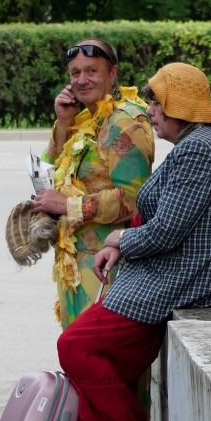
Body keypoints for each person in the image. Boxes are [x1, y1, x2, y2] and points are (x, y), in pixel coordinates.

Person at [57, 62, 211, 421]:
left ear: (179, 108)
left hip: (179, 278)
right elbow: (159, 209)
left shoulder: (200, 151)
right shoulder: (203, 144)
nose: (150, 112)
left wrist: (119, 238)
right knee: (108, 371)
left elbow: (166, 232)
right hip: (178, 274)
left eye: (158, 106)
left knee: (75, 347)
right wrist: (122, 244)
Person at [30, 38, 155, 328]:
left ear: (113, 74)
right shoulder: (86, 117)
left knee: (98, 361)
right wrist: (63, 124)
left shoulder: (125, 124)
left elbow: (133, 199)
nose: (82, 80)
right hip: (76, 265)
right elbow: (50, 172)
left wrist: (68, 206)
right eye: (75, 73)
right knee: (78, 358)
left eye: (92, 71)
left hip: (109, 268)